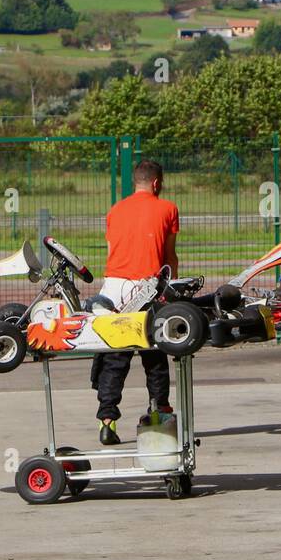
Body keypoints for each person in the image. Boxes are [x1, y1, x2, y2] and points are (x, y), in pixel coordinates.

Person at [91, 159, 180, 445]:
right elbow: (169, 257)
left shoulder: (115, 210)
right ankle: (158, 411)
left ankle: (107, 421)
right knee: (155, 356)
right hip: (147, 291)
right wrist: (171, 293)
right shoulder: (167, 209)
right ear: (156, 183)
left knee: (114, 359)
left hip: (114, 290)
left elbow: (111, 251)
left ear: (135, 182)